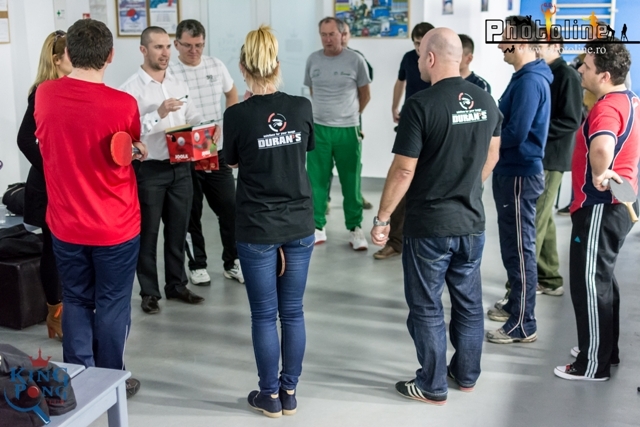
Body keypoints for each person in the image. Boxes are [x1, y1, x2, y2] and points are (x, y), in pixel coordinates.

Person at [371, 27, 501, 405]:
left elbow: (403, 170)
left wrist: (383, 218)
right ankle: (466, 375)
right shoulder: (486, 100)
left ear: (429, 58)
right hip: (471, 222)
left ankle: (432, 384)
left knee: (427, 306)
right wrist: (467, 186)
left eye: (419, 57)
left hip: (429, 225)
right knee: (468, 304)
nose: (417, 63)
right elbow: (493, 153)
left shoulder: (421, 105)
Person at [34, 18, 146, 397]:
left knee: (77, 300)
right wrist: (137, 149)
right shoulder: (124, 104)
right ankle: (111, 384)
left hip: (66, 225)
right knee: (112, 304)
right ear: (110, 56)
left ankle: (81, 381)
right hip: (116, 226)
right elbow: (127, 143)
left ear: (67, 53)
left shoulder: (45, 95)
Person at [224, 26, 315, 417]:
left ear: (243, 67)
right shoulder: (301, 107)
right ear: (277, 64)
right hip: (298, 224)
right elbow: (304, 148)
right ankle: (289, 392)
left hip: (257, 226)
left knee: (263, 314)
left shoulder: (236, 115)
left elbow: (230, 160)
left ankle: (269, 396)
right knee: (292, 311)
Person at [555, 40, 640, 381]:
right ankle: (605, 349)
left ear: (605, 76)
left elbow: (602, 146)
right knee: (601, 279)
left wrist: (599, 173)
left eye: (587, 67)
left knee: (589, 283)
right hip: (618, 203)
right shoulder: (629, 99)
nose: (580, 70)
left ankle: (592, 364)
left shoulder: (606, 108)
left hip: (601, 207)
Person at [121, 26, 213, 314]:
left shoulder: (177, 81)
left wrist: (207, 128)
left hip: (181, 166)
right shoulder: (130, 90)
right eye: (158, 47)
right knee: (148, 234)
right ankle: (149, 293)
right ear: (143, 50)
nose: (165, 53)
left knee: (178, 230)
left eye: (167, 47)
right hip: (149, 170)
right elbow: (129, 133)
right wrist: (157, 113)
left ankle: (176, 285)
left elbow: (192, 114)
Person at [491, 32, 582, 315]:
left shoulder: (564, 76)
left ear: (556, 46)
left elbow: (571, 120)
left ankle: (516, 298)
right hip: (539, 155)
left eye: (541, 45)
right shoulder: (539, 74)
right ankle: (551, 278)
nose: (537, 49)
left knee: (531, 227)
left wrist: (537, 132)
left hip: (549, 157)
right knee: (544, 219)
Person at [486, 16, 552, 344]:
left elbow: (515, 132)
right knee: (513, 246)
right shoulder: (525, 77)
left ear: (522, 42)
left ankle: (524, 323)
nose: (500, 44)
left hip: (519, 174)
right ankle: (516, 304)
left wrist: (484, 140)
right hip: (512, 172)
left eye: (505, 39)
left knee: (521, 248)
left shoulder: (529, 81)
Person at [168, 19, 244, 286]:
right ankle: (197, 264)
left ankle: (233, 261)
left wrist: (228, 124)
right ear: (176, 44)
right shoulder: (169, 72)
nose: (194, 51)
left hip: (212, 149)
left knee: (230, 207)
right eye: (188, 45)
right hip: (185, 150)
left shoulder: (216, 65)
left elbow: (232, 94)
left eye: (199, 45)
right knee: (191, 212)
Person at [17, 30, 72, 340]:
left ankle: (73, 310)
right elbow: (25, 139)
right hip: (48, 187)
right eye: (71, 54)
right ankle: (55, 315)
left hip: (71, 184)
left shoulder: (74, 88)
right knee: (53, 250)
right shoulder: (41, 92)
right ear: (57, 59)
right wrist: (53, 168)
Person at [304, 17, 371, 250]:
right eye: (323, 34)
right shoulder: (313, 59)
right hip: (319, 129)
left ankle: (355, 228)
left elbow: (365, 94)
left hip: (347, 130)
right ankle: (317, 226)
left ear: (342, 35)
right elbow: (313, 90)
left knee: (351, 181)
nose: (327, 39)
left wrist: (351, 115)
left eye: (331, 34)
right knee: (316, 180)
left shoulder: (356, 60)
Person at [374, 22, 434, 261]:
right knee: (401, 180)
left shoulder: (435, 60)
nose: (419, 49)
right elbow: (401, 81)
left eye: (422, 44)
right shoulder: (409, 59)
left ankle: (422, 242)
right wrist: (394, 106)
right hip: (410, 123)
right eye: (416, 44)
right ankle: (395, 241)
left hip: (432, 125)